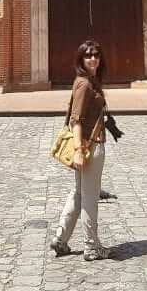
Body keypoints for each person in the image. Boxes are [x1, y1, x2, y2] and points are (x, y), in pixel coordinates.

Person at [50, 40, 111, 261]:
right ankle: (92, 247)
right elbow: (75, 120)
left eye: (96, 55)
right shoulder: (85, 84)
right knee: (90, 198)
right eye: (88, 56)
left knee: (79, 193)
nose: (93, 59)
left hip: (88, 144)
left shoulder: (87, 81)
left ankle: (60, 239)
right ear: (80, 60)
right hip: (89, 146)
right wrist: (77, 149)